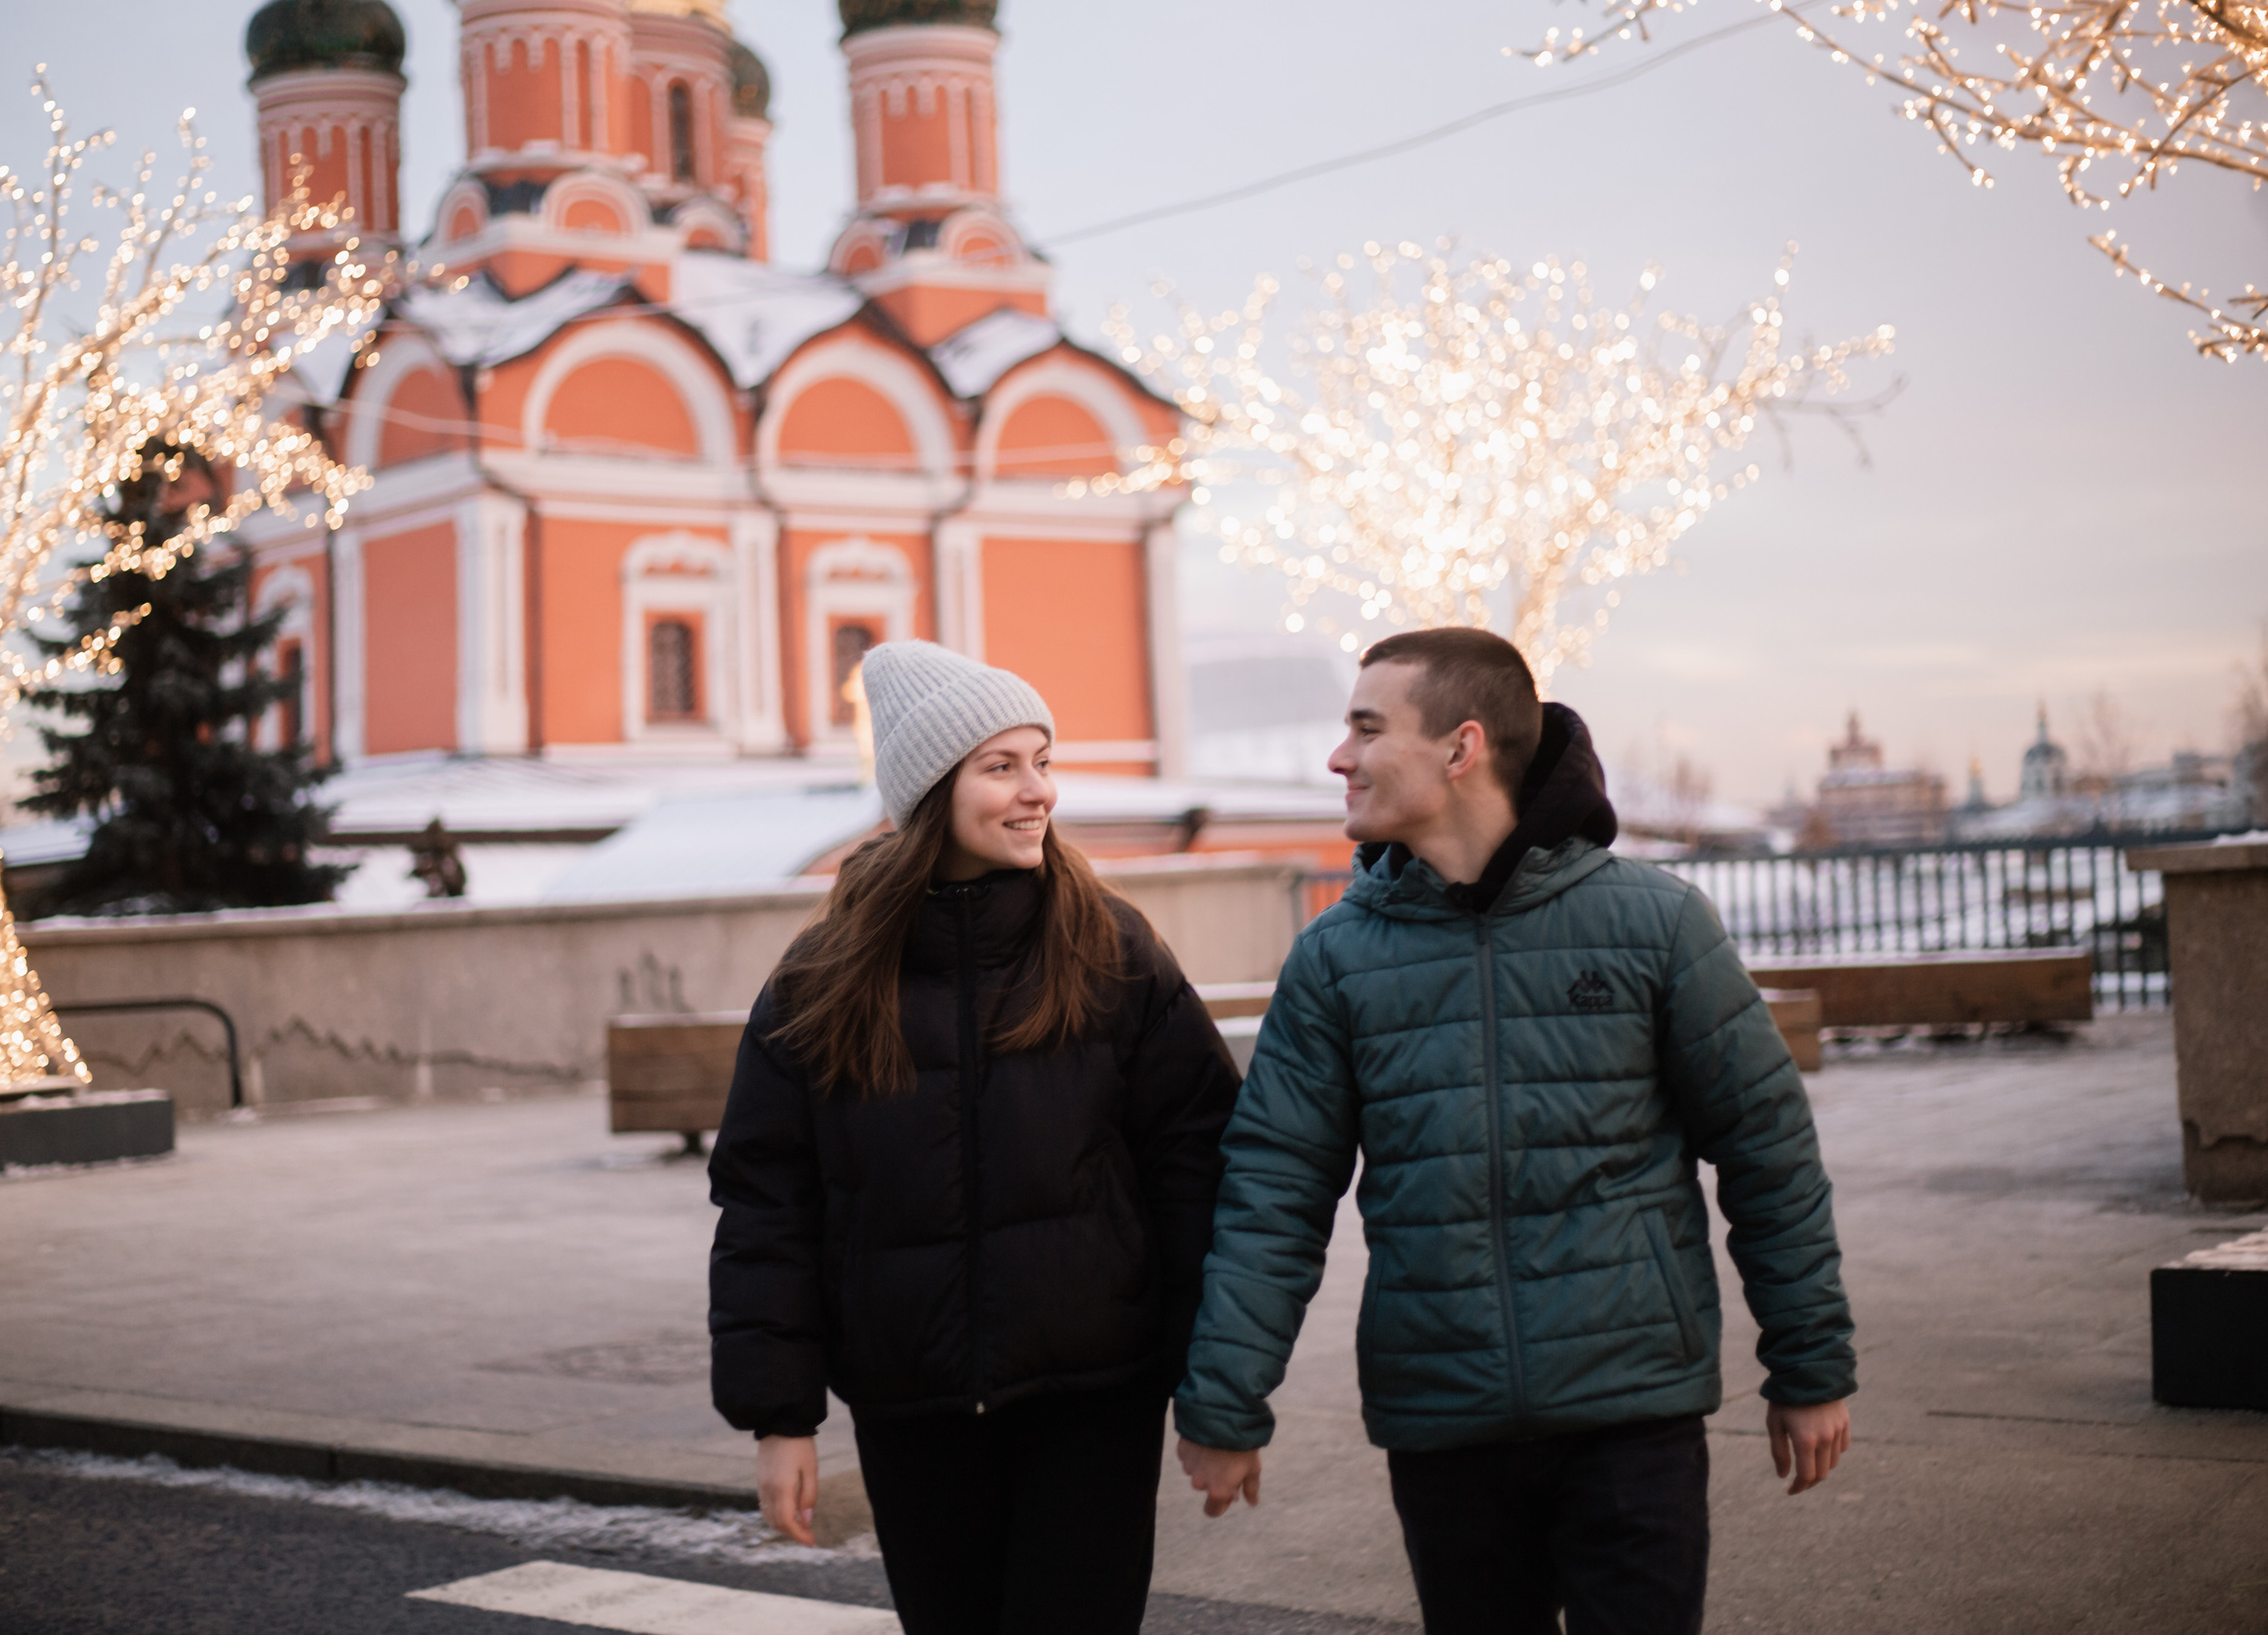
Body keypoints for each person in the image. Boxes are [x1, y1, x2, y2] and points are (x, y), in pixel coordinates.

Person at [1172, 627, 1856, 1635]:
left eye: (1366, 728)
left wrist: (1810, 1368)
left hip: (1631, 1416)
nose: (1337, 757)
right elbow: (1273, 1187)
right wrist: (1227, 1400)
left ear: (1460, 747)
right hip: (1443, 1421)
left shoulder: (1654, 924)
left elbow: (1768, 1154)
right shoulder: (1334, 959)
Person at [707, 639, 1238, 1635]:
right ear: (929, 792)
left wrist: (1215, 1390)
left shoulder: (1110, 947)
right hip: (913, 1413)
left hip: (1093, 1403)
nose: (1036, 791)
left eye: (1042, 760)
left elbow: (1197, 1168)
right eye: (1002, 766)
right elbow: (766, 1204)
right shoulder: (822, 977)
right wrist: (779, 1418)